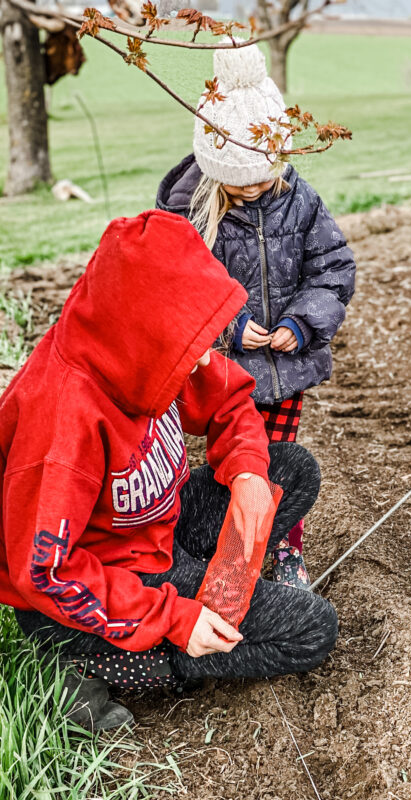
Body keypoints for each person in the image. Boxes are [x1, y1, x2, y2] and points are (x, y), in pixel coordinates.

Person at [0, 210, 338, 731]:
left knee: (289, 470)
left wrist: (247, 473)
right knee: (312, 629)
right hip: (107, 580)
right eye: (194, 346)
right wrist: (177, 620)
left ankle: (206, 592)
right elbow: (47, 571)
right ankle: (96, 660)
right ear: (149, 331)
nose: (205, 360)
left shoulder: (148, 344)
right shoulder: (63, 420)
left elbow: (229, 400)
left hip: (157, 529)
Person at [157, 43, 356, 590]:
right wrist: (229, 323)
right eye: (238, 177)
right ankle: (215, 548)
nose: (250, 187)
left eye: (261, 176)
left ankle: (285, 551)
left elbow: (333, 267)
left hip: (281, 371)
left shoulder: (300, 200)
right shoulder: (183, 208)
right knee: (227, 464)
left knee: (277, 463)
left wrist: (302, 323)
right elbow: (175, 284)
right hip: (213, 371)